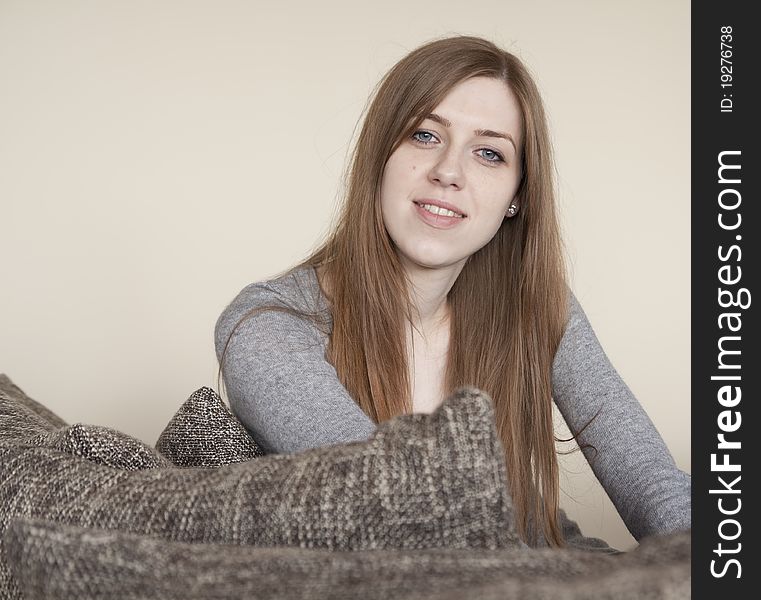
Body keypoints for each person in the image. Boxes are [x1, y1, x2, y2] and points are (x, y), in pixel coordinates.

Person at [214, 35, 690, 548]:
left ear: (516, 197)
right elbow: (401, 515)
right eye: (424, 135)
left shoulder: (537, 306)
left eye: (489, 153)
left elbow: (660, 496)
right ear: (379, 156)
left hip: (533, 564)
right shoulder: (267, 325)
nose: (448, 172)